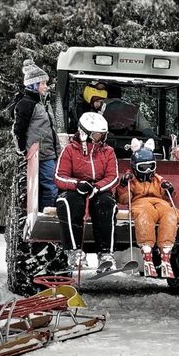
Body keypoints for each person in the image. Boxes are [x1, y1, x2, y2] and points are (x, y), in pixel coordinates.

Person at [54, 112, 119, 273]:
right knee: (68, 203)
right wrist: (77, 184)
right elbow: (59, 176)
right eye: (98, 135)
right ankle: (74, 251)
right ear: (86, 134)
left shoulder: (108, 152)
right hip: (76, 189)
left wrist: (97, 187)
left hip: (99, 190)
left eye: (103, 135)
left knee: (107, 204)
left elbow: (113, 176)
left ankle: (105, 254)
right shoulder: (70, 150)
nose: (102, 139)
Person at [116, 138, 179, 278]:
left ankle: (166, 251)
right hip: (140, 202)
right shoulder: (132, 181)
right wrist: (123, 185)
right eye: (143, 168)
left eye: (151, 166)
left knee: (170, 213)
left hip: (160, 203)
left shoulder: (158, 179)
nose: (147, 171)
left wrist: (169, 189)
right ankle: (147, 251)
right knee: (144, 214)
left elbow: (170, 198)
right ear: (135, 167)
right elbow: (123, 199)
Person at [12, 59, 60, 211]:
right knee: (51, 187)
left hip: (50, 152)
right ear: (34, 85)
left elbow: (49, 128)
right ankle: (45, 216)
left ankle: (45, 213)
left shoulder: (43, 103)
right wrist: (23, 149)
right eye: (43, 84)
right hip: (39, 154)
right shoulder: (27, 104)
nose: (46, 87)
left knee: (51, 186)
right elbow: (18, 129)